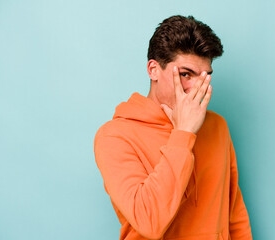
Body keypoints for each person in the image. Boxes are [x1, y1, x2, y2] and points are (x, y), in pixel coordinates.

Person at [94, 15, 252, 240]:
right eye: (186, 74)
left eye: (205, 77)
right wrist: (183, 134)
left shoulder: (218, 126)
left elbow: (234, 213)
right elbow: (149, 221)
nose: (196, 88)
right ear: (153, 70)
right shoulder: (114, 137)